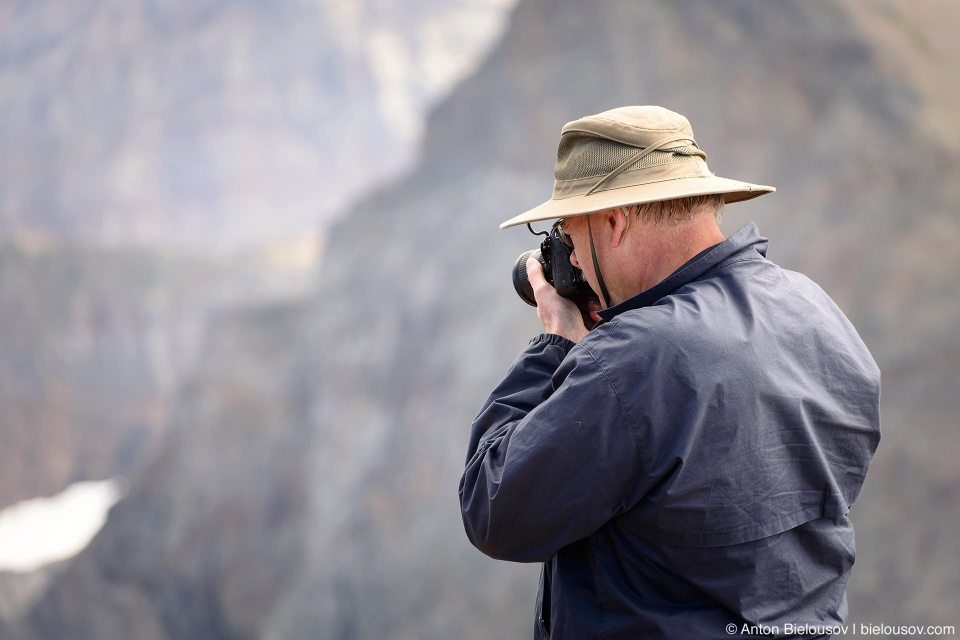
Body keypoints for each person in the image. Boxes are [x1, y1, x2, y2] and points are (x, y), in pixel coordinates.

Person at [459, 106, 881, 639]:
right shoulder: (814, 310)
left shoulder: (630, 361)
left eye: (567, 230)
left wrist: (556, 343)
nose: (574, 262)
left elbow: (494, 510)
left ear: (616, 220)